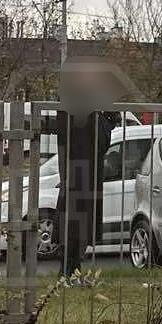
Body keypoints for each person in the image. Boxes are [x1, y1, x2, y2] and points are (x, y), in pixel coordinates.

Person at [55, 109, 118, 277]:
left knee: (77, 221)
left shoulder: (90, 114)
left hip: (83, 172)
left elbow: (111, 122)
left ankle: (71, 269)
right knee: (74, 221)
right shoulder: (76, 112)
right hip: (80, 172)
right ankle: (69, 269)